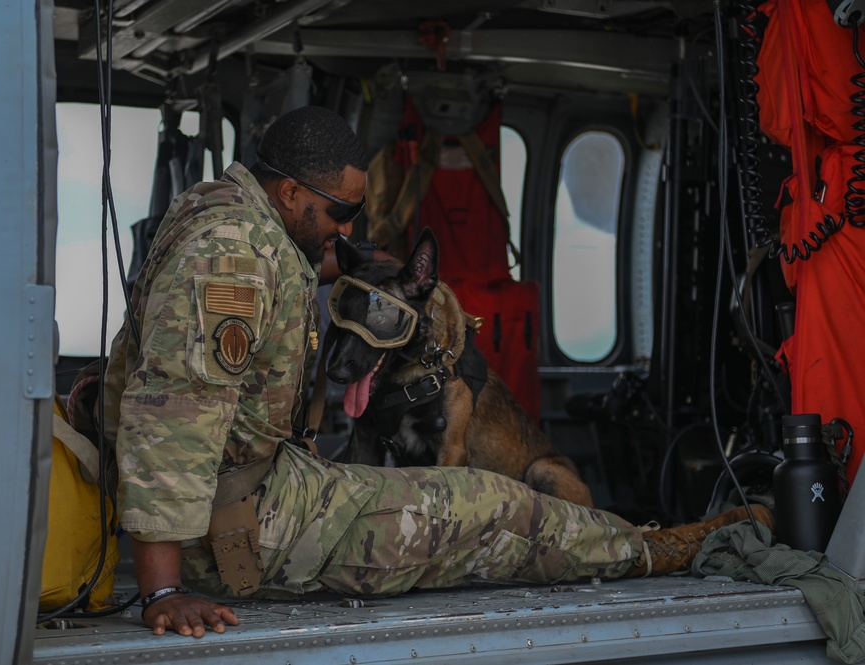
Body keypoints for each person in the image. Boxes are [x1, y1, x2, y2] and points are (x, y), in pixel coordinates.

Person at [102, 105, 773, 639]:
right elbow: (173, 421)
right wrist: (163, 589)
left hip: (251, 495)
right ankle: (667, 549)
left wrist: (356, 259)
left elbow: (244, 286)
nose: (345, 230)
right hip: (234, 530)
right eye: (339, 214)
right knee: (493, 507)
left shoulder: (218, 209)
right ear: (288, 193)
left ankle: (645, 539)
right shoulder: (231, 257)